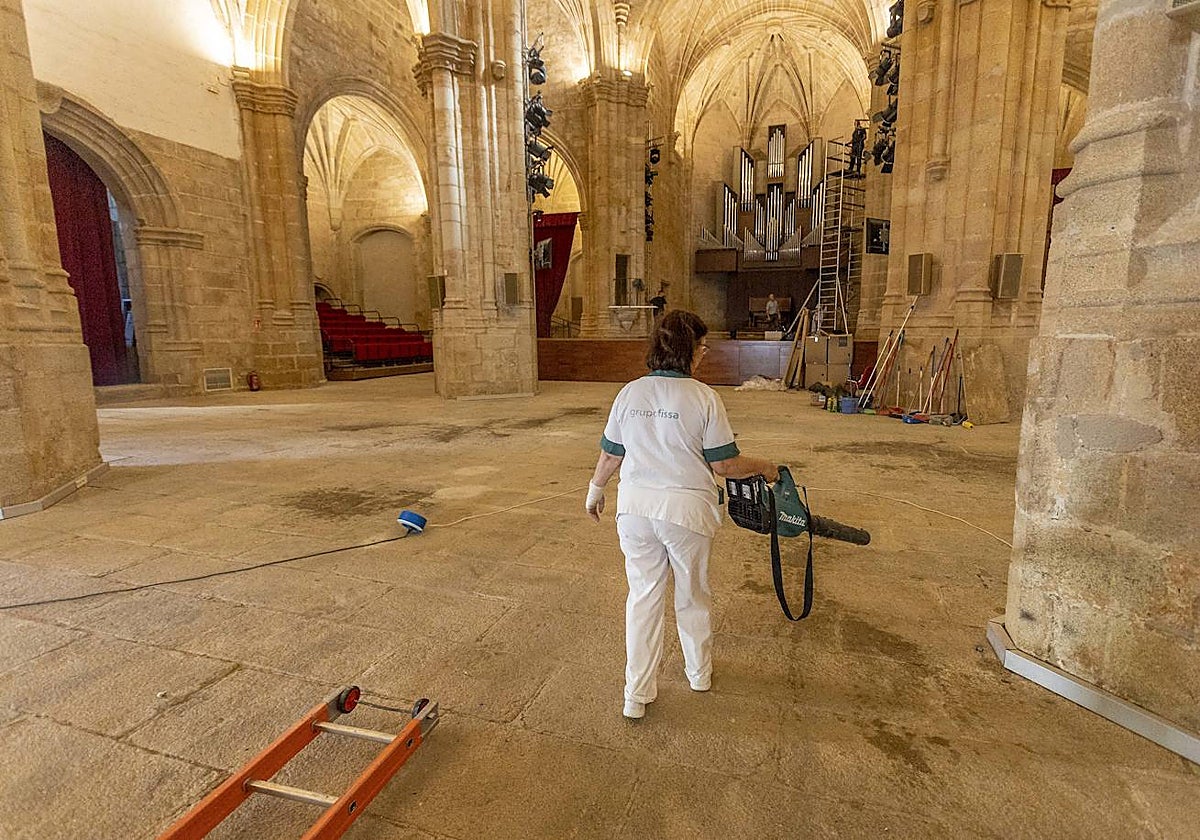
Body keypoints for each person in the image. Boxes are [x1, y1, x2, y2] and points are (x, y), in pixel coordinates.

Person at [585, 310, 779, 719]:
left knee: (643, 598)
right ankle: (698, 674)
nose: (705, 354)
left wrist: (595, 491)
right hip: (686, 514)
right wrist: (766, 466)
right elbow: (724, 466)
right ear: (690, 350)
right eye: (703, 346)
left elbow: (610, 452)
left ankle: (635, 695)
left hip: (635, 511)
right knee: (692, 594)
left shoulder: (630, 393)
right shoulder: (704, 397)